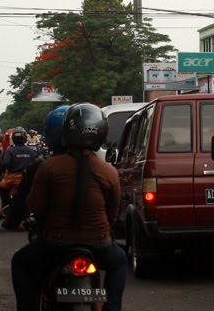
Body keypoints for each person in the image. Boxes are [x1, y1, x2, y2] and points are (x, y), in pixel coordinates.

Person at [10, 103, 127, 311]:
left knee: (20, 262)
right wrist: (100, 233)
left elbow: (35, 205)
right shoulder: (109, 171)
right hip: (99, 245)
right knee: (119, 263)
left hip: (55, 244)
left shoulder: (49, 166)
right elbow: (113, 212)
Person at [0, 128, 38, 230]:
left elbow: (5, 164)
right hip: (26, 180)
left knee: (0, 194)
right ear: (25, 138)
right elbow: (35, 164)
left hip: (11, 179)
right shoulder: (30, 151)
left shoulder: (10, 151)